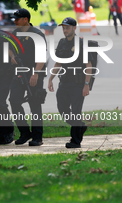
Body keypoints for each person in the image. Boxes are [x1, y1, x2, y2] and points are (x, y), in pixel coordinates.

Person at [48, 17, 92, 148]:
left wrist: (86, 85)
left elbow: (88, 65)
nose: (65, 30)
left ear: (74, 28)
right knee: (62, 108)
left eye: (67, 27)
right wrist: (51, 78)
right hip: (64, 83)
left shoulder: (81, 44)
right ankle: (81, 127)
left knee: (76, 112)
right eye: (63, 28)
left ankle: (75, 141)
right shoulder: (62, 43)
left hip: (78, 84)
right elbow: (58, 62)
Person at [8, 8, 46, 146]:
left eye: (17, 19)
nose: (15, 21)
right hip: (18, 72)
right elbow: (9, 46)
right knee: (14, 101)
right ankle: (24, 133)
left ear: (25, 19)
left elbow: (42, 56)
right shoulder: (15, 33)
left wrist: (36, 74)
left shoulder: (37, 34)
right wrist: (12, 56)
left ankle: (37, 137)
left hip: (34, 72)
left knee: (34, 104)